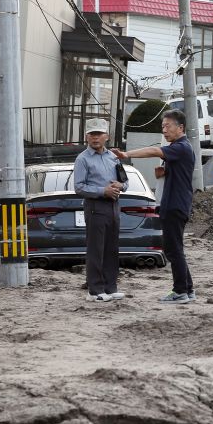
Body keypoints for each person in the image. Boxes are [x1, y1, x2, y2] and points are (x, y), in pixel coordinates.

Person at [112, 110, 196, 304]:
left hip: (175, 205)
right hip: (175, 204)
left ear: (180, 128)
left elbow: (156, 150)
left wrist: (126, 154)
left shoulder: (181, 147)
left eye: (168, 126)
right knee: (176, 249)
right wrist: (163, 173)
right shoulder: (180, 148)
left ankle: (180, 291)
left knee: (173, 250)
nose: (164, 130)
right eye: (163, 127)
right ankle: (188, 289)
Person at [74, 118, 128, 302]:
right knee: (96, 249)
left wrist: (121, 186)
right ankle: (95, 291)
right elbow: (79, 187)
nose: (95, 137)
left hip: (113, 205)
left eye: (99, 134)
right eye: (91, 134)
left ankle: (110, 287)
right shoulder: (82, 159)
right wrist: (102, 191)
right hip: (95, 206)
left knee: (112, 248)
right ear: (86, 137)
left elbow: (125, 181)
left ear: (107, 136)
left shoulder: (113, 157)